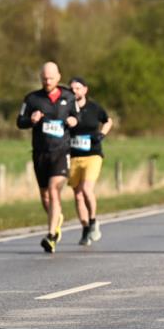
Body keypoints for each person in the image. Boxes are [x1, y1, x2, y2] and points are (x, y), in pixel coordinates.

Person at [17, 62, 80, 253]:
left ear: (58, 77)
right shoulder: (32, 99)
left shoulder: (69, 97)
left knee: (53, 190)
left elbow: (78, 117)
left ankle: (51, 235)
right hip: (40, 153)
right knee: (45, 196)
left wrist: (73, 120)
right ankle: (57, 218)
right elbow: (20, 121)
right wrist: (31, 120)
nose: (47, 81)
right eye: (44, 78)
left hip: (61, 151)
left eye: (51, 78)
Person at [68, 77, 112, 246]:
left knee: (87, 189)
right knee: (78, 195)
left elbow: (108, 120)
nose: (74, 91)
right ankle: (85, 228)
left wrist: (102, 134)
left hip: (93, 154)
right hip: (73, 155)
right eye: (72, 89)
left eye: (78, 88)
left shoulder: (94, 108)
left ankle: (93, 220)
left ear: (85, 90)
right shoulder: (67, 109)